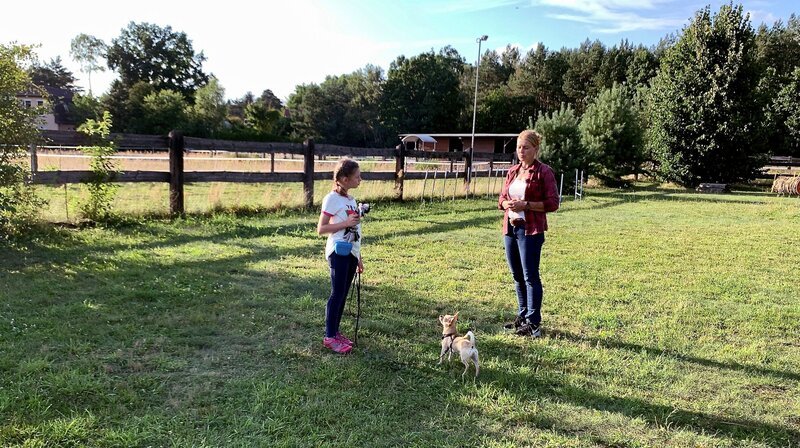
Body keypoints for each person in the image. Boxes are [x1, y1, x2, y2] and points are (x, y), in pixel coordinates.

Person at [498, 130, 559, 337]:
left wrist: (527, 205)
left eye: (526, 147)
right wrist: (507, 204)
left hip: (530, 230)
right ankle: (522, 316)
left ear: (535, 149)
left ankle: (533, 323)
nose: (521, 151)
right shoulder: (513, 171)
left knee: (530, 276)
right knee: (517, 275)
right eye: (518, 147)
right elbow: (501, 200)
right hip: (510, 228)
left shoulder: (544, 172)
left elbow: (553, 203)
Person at [316, 158, 365, 354]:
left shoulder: (351, 200)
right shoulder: (331, 199)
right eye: (357, 176)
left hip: (351, 252)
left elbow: (354, 230)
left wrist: (359, 256)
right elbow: (321, 228)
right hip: (338, 252)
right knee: (337, 294)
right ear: (344, 179)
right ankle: (329, 337)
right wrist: (345, 223)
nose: (360, 179)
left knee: (343, 294)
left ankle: (335, 332)